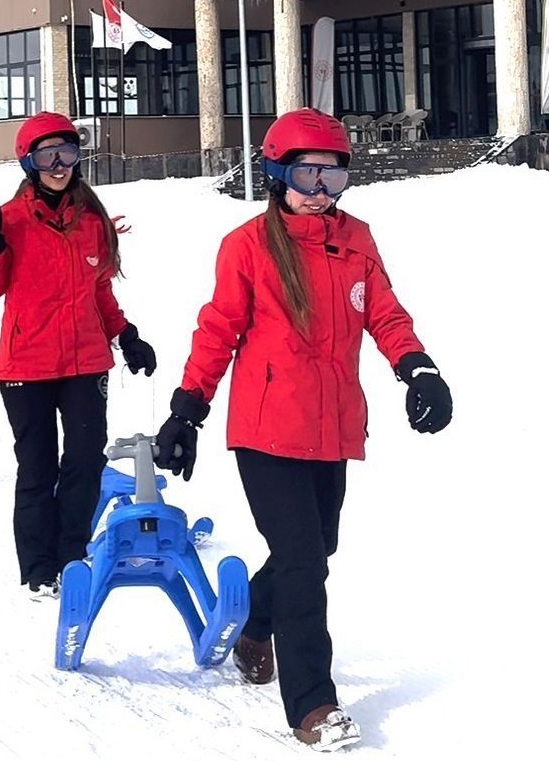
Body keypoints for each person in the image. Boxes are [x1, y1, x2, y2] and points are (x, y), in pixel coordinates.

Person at [152, 108, 453, 751]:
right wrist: (186, 409)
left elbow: (387, 314)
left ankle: (256, 626)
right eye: (306, 173)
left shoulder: (358, 239)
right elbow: (218, 330)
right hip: (266, 430)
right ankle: (313, 704)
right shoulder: (248, 245)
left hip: (334, 424)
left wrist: (418, 368)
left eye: (333, 174)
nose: (319, 188)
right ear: (276, 174)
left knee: (316, 551)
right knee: (302, 563)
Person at [0, 111, 157, 599]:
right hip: (27, 365)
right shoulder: (11, 219)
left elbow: (100, 291)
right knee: (38, 467)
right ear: (29, 162)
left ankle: (72, 556)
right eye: (48, 155)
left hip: (86, 364)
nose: (60, 164)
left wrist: (126, 335)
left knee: (85, 462)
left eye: (68, 152)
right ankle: (39, 568)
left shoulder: (91, 221)